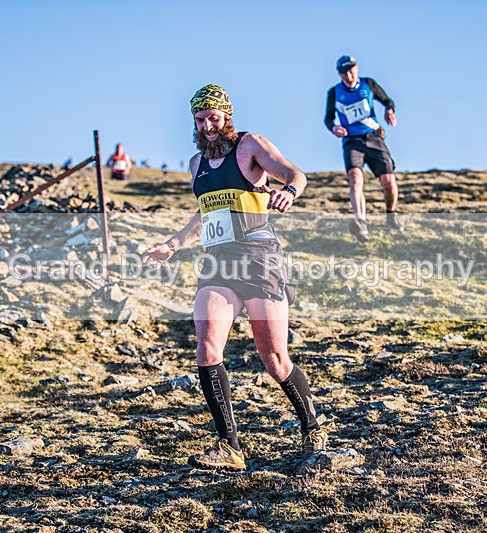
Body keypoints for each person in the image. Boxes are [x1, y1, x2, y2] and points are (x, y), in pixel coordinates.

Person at [142, 84, 327, 471]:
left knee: (275, 360)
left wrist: (289, 191)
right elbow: (203, 217)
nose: (208, 125)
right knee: (207, 346)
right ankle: (230, 447)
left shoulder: (249, 146)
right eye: (200, 119)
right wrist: (171, 245)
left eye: (214, 117)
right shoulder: (196, 164)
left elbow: (294, 172)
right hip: (218, 264)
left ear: (227, 116)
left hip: (259, 262)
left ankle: (313, 427)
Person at [324, 55, 402, 240]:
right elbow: (328, 118)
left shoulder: (369, 84)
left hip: (374, 139)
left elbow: (388, 100)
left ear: (357, 68)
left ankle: (391, 214)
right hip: (352, 142)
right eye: (343, 73)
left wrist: (389, 110)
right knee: (355, 178)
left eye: (351, 71)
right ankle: (361, 223)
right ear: (339, 74)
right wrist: (334, 128)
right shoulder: (334, 92)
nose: (348, 76)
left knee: (388, 182)